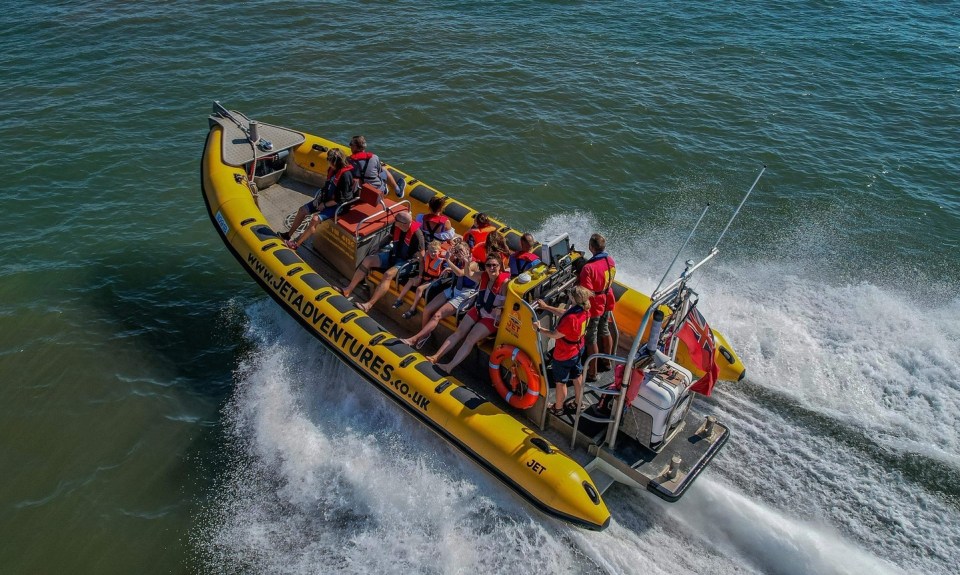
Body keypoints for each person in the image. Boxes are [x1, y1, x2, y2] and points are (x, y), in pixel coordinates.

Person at [427, 254, 511, 374]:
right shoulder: (483, 276)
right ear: (485, 267)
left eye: (494, 265)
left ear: (499, 267)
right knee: (459, 332)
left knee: (470, 339)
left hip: (492, 317)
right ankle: (435, 357)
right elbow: (468, 274)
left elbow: (511, 300)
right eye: (489, 265)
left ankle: (449, 367)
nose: (491, 268)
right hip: (479, 309)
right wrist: (467, 264)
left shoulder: (505, 284)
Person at [338, 210, 424, 312]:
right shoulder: (396, 226)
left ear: (403, 223)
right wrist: (378, 245)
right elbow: (390, 237)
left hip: (407, 262)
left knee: (388, 274)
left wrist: (420, 276)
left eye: (396, 220)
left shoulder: (418, 236)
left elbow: (421, 258)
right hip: (394, 254)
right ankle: (348, 290)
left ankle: (369, 305)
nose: (394, 220)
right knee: (368, 260)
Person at [400, 241, 477, 349]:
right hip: (453, 289)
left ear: (467, 251)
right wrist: (449, 266)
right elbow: (453, 269)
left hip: (464, 294)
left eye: (461, 251)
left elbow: (461, 273)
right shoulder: (457, 261)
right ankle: (424, 335)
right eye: (457, 251)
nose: (459, 253)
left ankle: (414, 339)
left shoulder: (473, 263)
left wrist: (448, 260)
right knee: (427, 309)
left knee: (437, 315)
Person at [280, 149, 355, 249]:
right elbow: (327, 186)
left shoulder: (345, 176)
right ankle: (288, 235)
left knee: (315, 219)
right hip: (325, 199)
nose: (328, 162)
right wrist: (319, 199)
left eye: (329, 160)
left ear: (334, 162)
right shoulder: (332, 170)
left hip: (338, 205)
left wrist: (324, 205)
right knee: (302, 210)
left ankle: (296, 244)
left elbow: (340, 199)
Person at [535, 286, 592, 416]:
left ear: (573, 298)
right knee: (577, 375)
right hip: (578, 349)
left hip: (564, 353)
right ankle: (578, 402)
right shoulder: (585, 310)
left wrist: (539, 329)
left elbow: (555, 334)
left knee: (560, 382)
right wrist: (546, 307)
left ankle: (558, 408)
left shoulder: (570, 319)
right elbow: (565, 312)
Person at [579, 233, 617, 382]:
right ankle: (607, 363)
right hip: (608, 299)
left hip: (595, 304)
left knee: (591, 337)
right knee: (605, 329)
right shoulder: (611, 261)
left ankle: (592, 373)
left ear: (590, 247)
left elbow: (585, 292)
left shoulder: (588, 268)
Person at [394, 240, 447, 318]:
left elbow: (444, 273)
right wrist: (420, 277)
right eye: (431, 251)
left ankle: (412, 309)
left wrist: (446, 270)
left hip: (434, 279)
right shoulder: (426, 256)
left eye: (434, 251)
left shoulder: (442, 260)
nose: (432, 253)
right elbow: (422, 265)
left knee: (419, 289)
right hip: (425, 276)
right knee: (411, 280)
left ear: (439, 251)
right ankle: (399, 300)